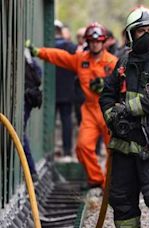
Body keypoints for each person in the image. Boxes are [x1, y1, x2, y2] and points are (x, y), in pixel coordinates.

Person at [99, 7, 149, 227]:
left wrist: (125, 109)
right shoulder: (123, 61)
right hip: (123, 149)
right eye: (140, 30)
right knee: (122, 203)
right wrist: (111, 117)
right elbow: (107, 94)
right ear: (130, 35)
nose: (146, 35)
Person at [27, 22, 118, 189]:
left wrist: (106, 86)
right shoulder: (81, 59)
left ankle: (111, 184)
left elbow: (123, 84)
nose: (95, 44)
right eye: (91, 41)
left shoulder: (113, 62)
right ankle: (96, 179)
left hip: (110, 110)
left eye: (98, 41)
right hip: (90, 110)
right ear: (88, 42)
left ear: (103, 42)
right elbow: (60, 56)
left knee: (115, 150)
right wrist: (38, 52)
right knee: (83, 147)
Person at [54, 20, 77, 160]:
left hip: (51, 93)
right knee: (66, 120)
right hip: (67, 91)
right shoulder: (71, 47)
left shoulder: (46, 46)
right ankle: (67, 151)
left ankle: (50, 151)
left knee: (52, 122)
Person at [23, 50, 43, 182]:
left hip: (26, 98)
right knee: (19, 133)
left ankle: (31, 170)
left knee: (18, 133)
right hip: (27, 98)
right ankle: (31, 170)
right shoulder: (26, 55)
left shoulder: (26, 56)